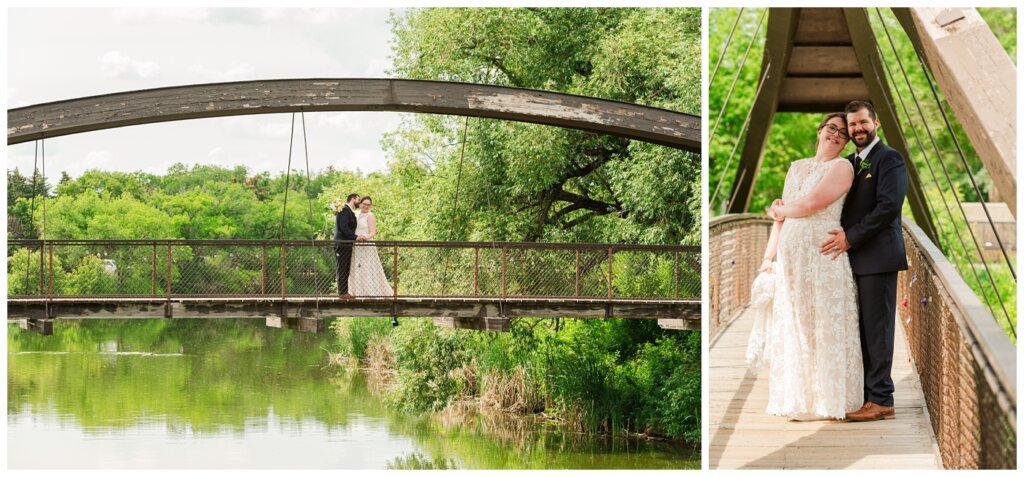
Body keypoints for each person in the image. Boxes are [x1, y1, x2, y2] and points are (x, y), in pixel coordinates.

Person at [750, 112, 863, 421]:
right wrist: (768, 258)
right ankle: (802, 398)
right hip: (792, 260)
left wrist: (780, 208)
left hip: (822, 257)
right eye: (831, 128)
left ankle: (826, 401)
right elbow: (780, 221)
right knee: (797, 325)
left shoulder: (843, 168)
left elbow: (813, 204)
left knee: (821, 325)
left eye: (843, 133)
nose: (837, 134)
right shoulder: (796, 167)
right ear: (819, 130)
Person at [817, 100, 908, 422]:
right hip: (855, 260)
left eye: (862, 123)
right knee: (863, 331)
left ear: (876, 123)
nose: (857, 129)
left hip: (878, 258)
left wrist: (849, 237)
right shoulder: (852, 162)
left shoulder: (889, 159)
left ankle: (882, 399)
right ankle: (868, 395)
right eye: (851, 125)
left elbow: (888, 207)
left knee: (878, 331)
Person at [347, 196, 393, 296]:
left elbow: (373, 232)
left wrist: (365, 237)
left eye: (368, 205)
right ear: (360, 204)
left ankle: (370, 290)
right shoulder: (355, 214)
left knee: (367, 265)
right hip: (356, 244)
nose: (366, 206)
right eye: (364, 204)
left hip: (366, 244)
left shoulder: (370, 216)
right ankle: (357, 290)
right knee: (357, 265)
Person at [334, 193, 359, 299]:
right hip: (342, 243)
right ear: (352, 199)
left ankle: (344, 291)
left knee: (345, 267)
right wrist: (354, 237)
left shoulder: (348, 211)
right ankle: (342, 293)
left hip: (346, 244)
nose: (359, 201)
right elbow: (343, 227)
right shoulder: (344, 209)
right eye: (358, 199)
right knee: (343, 268)